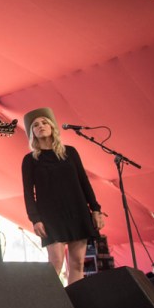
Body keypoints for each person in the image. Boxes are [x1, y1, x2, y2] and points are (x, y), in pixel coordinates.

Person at [21, 107, 105, 286]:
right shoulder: (30, 160)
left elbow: (84, 182)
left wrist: (96, 209)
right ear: (32, 133)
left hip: (77, 210)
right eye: (35, 125)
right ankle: (48, 303)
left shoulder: (71, 152)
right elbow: (28, 193)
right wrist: (35, 219)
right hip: (50, 216)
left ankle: (76, 304)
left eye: (44, 122)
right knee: (56, 262)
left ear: (52, 127)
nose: (41, 126)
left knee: (77, 263)